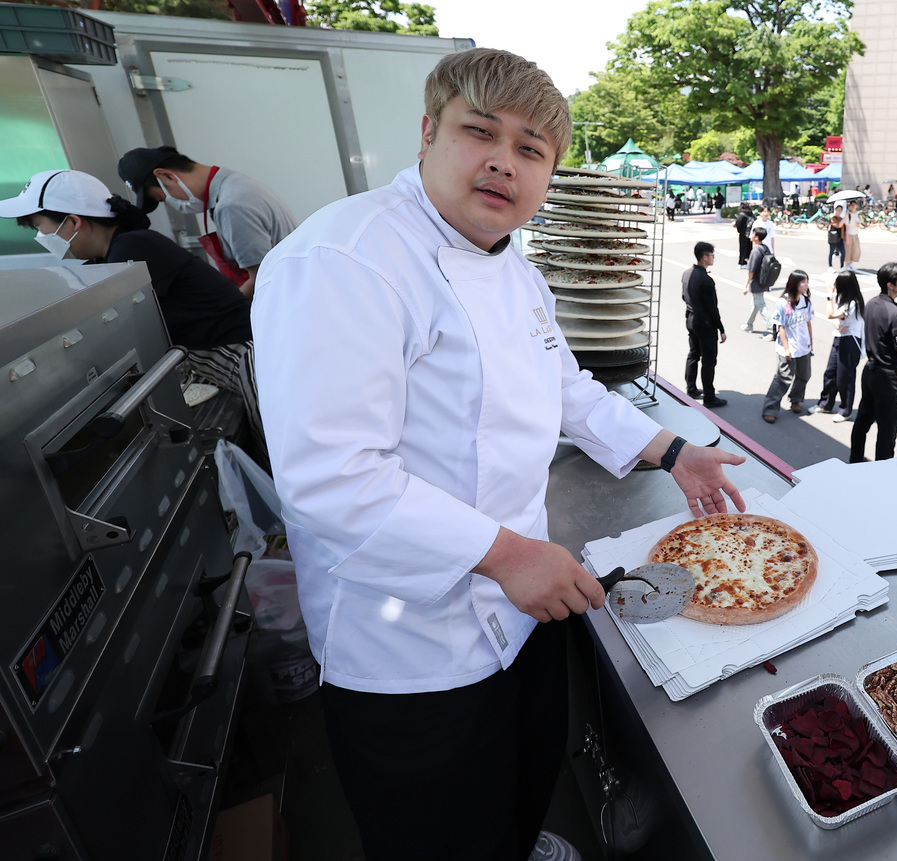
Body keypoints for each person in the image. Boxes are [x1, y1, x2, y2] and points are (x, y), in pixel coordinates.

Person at [247, 49, 746, 861]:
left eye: (529, 149)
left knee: (524, 779)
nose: (501, 162)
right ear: (426, 134)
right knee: (442, 831)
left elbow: (566, 387)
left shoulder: (511, 266)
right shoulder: (344, 258)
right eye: (480, 133)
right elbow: (332, 479)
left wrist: (672, 448)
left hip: (519, 608)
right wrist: (508, 553)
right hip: (408, 648)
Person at [1, 168, 262, 438]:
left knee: (285, 452)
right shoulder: (109, 259)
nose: (40, 236)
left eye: (39, 227)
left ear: (73, 222)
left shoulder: (133, 249)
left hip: (246, 356)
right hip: (222, 359)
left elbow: (115, 330)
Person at [119, 145, 296, 300]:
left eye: (163, 197)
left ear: (166, 176)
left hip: (285, 296)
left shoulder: (230, 205)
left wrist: (230, 308)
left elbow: (261, 277)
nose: (172, 202)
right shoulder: (233, 182)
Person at [851, 262, 897, 462]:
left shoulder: (872, 304)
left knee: (863, 420)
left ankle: (855, 460)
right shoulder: (896, 315)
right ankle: (882, 474)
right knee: (887, 430)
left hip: (870, 372)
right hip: (888, 378)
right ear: (890, 285)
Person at [762, 270, 815, 423]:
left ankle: (796, 399)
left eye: (807, 281)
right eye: (802, 282)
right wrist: (786, 348)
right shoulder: (783, 303)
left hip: (803, 347)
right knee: (783, 378)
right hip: (788, 347)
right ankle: (770, 408)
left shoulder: (806, 301)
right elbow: (781, 328)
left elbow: (808, 322)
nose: (806, 285)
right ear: (794, 284)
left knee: (804, 375)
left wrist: (811, 342)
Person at [682, 241, 727, 407]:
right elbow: (712, 308)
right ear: (704, 257)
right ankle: (709, 396)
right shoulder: (706, 281)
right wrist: (721, 329)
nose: (713, 258)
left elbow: (683, 297)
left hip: (691, 320)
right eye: (711, 255)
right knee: (708, 361)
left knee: (693, 354)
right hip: (705, 324)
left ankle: (691, 388)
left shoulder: (687, 274)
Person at [816, 271, 865, 422]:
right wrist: (837, 324)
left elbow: (830, 314)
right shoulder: (844, 299)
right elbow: (834, 318)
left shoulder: (853, 303)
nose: (835, 285)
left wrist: (829, 294)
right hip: (840, 338)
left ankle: (845, 410)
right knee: (830, 373)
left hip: (851, 342)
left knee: (845, 377)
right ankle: (826, 403)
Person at [742, 226, 772, 332]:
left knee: (761, 306)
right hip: (764, 281)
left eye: (753, 234)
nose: (751, 235)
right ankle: (748, 324)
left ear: (756, 237)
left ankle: (771, 328)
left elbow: (751, 271)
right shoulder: (765, 248)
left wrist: (746, 285)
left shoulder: (755, 251)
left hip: (756, 283)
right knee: (754, 304)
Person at [735, 201, 754, 266]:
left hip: (743, 233)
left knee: (743, 248)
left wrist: (739, 230)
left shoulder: (742, 214)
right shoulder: (751, 213)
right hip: (750, 233)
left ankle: (742, 262)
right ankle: (749, 261)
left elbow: (739, 224)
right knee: (750, 248)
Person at [844, 200, 863, 267]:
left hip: (855, 233)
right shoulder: (848, 215)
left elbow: (858, 224)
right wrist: (846, 237)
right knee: (848, 250)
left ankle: (851, 263)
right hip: (849, 234)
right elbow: (846, 225)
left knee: (857, 250)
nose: (853, 206)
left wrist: (858, 224)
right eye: (852, 205)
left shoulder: (857, 214)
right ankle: (847, 264)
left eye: (854, 205)